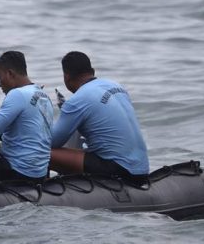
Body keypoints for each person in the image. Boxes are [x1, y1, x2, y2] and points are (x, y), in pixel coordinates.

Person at [50, 51, 149, 182]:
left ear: (66, 77)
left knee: (40, 151)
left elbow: (52, 142)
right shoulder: (116, 86)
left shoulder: (77, 101)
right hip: (142, 168)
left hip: (118, 170)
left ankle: (37, 187)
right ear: (93, 71)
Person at [0, 51, 54, 183]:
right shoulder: (43, 95)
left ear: (10, 74)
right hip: (39, 174)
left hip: (17, 172)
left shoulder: (17, 94)